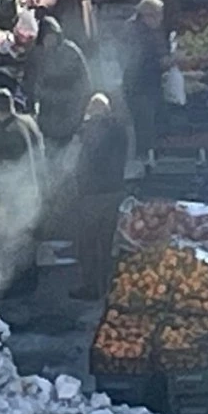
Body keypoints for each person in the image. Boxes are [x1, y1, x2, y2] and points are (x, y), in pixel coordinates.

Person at [69, 93, 129, 299]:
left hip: (93, 194)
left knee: (88, 242)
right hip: (115, 191)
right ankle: (107, 284)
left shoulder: (89, 131)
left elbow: (80, 158)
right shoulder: (120, 130)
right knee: (106, 242)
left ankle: (92, 287)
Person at [25, 16, 92, 144]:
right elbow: (31, 80)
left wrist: (81, 103)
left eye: (53, 37)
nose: (50, 41)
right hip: (48, 108)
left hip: (69, 106)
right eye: (47, 37)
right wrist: (32, 102)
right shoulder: (37, 54)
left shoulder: (71, 52)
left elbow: (84, 79)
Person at [121, 0, 170, 158]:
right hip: (139, 87)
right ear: (147, 15)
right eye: (158, 15)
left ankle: (152, 155)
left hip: (148, 85)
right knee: (145, 125)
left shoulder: (147, 30)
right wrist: (166, 62)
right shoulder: (137, 33)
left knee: (152, 122)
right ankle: (145, 159)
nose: (161, 19)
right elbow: (142, 61)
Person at [0, 89, 45, 188]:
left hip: (20, 182)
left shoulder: (10, 130)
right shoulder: (26, 120)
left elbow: (8, 159)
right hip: (37, 176)